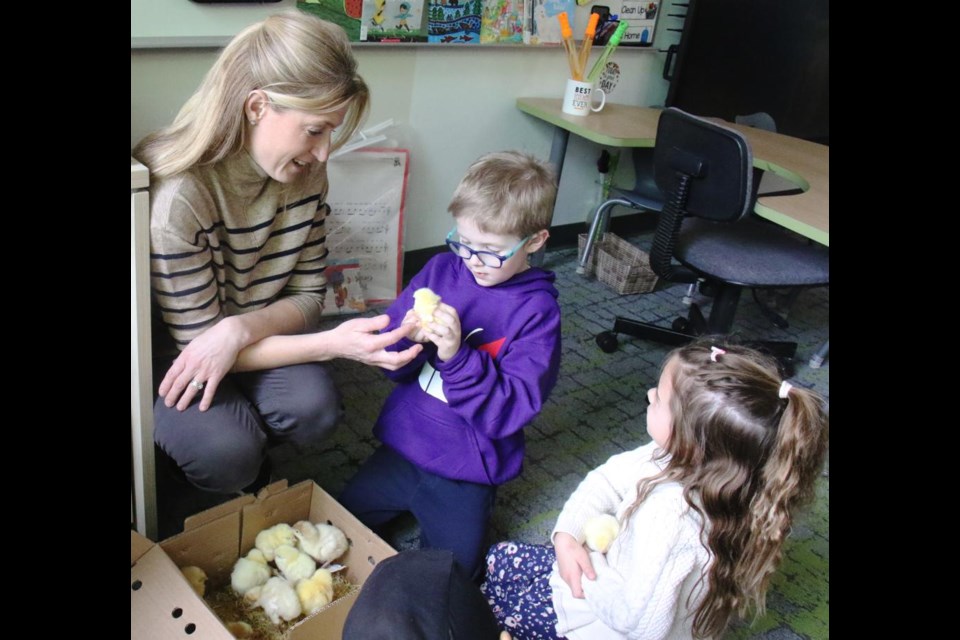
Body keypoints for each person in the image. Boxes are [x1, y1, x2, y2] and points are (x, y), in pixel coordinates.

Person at [132, 11, 422, 522]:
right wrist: (337, 344)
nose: (325, 151)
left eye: (331, 132)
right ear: (257, 106)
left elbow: (310, 299)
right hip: (181, 359)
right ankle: (198, 466)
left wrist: (238, 328)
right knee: (226, 451)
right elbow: (200, 352)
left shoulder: (305, 174)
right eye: (315, 130)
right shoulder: (180, 197)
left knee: (316, 409)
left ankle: (244, 448)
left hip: (244, 333)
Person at [480, 339, 830, 639]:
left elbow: (639, 624)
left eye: (660, 398)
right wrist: (568, 534)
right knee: (499, 558)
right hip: (614, 577)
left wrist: (588, 561)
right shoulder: (691, 459)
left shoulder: (672, 521)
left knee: (489, 604)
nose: (650, 395)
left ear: (690, 440)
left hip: (604, 624)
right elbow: (606, 479)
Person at [338, 151, 562, 580]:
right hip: (404, 446)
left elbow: (510, 410)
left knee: (454, 576)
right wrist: (406, 339)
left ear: (534, 241)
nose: (473, 260)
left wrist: (456, 357)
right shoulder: (442, 269)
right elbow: (392, 367)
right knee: (337, 526)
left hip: (467, 468)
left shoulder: (537, 314)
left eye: (492, 251)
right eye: (464, 242)